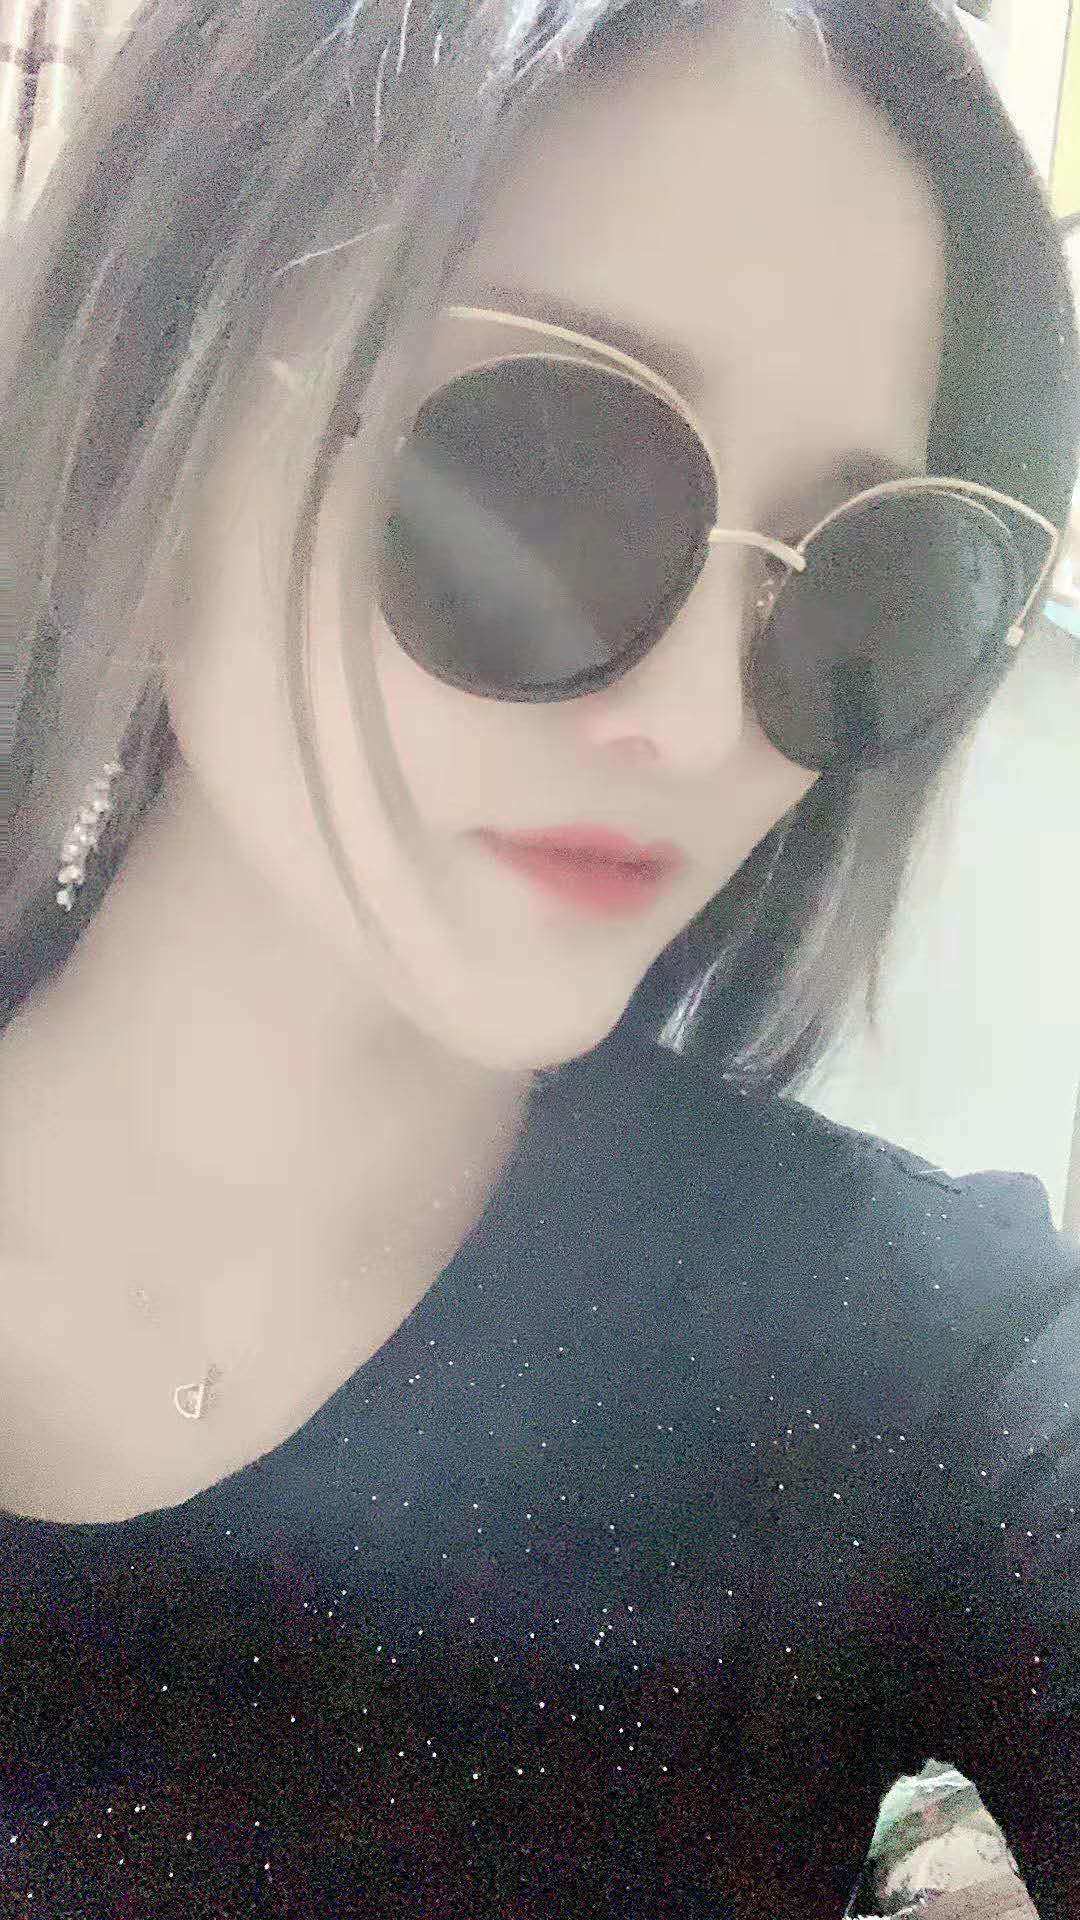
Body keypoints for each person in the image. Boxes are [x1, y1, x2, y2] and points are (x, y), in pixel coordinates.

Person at [0, 0, 1077, 1912]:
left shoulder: (902, 1362)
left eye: (867, 574)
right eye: (553, 468)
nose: (703, 722)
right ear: (160, 387)